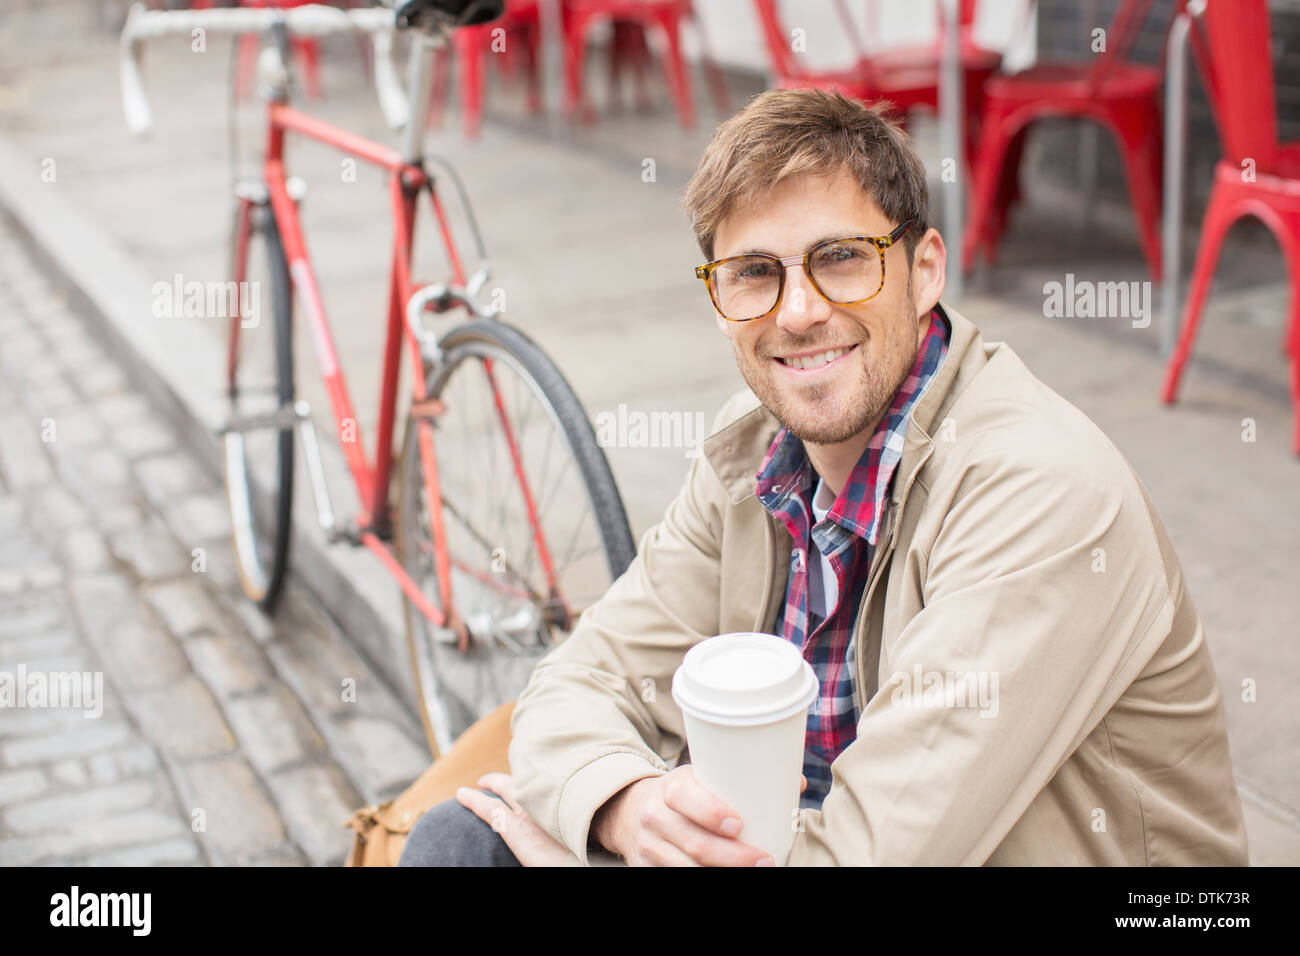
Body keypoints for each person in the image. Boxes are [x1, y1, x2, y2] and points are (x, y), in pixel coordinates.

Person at [398, 88, 1249, 867]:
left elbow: (871, 857)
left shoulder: (1038, 494)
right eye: (755, 273)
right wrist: (622, 804)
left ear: (923, 271)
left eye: (842, 257)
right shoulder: (754, 456)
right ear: (720, 301)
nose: (798, 311)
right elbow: (579, 682)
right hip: (805, 840)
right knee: (460, 844)